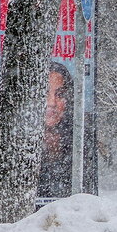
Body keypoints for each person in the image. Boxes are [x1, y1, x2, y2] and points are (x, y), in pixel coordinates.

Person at [38, 62, 74, 200]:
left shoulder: (77, 144)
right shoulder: (17, 145)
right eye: (45, 93)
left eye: (59, 94)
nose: (51, 102)